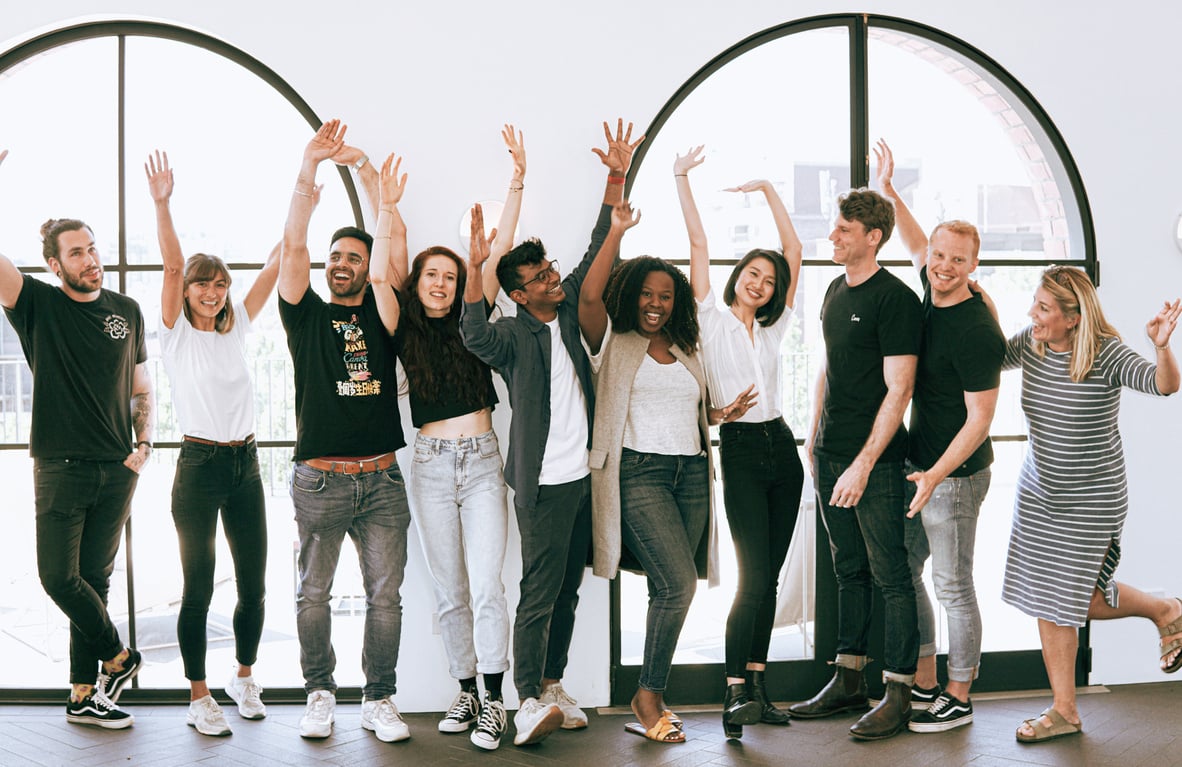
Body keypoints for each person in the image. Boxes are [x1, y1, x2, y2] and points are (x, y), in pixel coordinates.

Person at [461, 119, 642, 747]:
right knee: (538, 593)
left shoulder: (566, 313)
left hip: (583, 477)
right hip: (539, 484)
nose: (551, 279)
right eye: (538, 277)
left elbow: (597, 252)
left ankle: (556, 683)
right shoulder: (510, 335)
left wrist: (614, 177)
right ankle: (526, 699)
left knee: (567, 590)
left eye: (549, 271)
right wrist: (474, 270)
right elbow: (473, 335)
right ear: (517, 292)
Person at [365, 127, 526, 751]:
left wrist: (516, 180)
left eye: (449, 275)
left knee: (488, 586)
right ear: (419, 282)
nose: (439, 282)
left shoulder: (474, 315)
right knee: (450, 590)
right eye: (430, 274)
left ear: (461, 283)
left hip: (483, 462)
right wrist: (385, 206)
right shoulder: (401, 322)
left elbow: (501, 245)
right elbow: (381, 276)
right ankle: (464, 689)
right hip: (430, 464)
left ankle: (493, 698)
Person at [580, 201, 750, 744]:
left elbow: (687, 406)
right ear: (632, 296)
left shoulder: (685, 347)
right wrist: (616, 228)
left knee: (670, 585)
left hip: (692, 474)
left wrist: (716, 415)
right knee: (678, 584)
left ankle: (651, 692)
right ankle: (649, 694)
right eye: (647, 294)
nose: (656, 304)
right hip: (638, 474)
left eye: (665, 296)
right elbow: (587, 294)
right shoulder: (612, 341)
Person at [0, 148, 152, 729]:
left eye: (93, 248)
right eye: (77, 253)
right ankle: (118, 655)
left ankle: (83, 694)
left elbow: (141, 385)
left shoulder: (126, 309)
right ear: (54, 265)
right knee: (59, 578)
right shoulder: (36, 304)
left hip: (118, 468)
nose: (91, 260)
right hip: (60, 466)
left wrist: (145, 443)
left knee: (94, 582)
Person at [1000, 265, 1182, 743]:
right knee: (1066, 598)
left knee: (1067, 600)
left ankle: (1065, 709)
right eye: (1034, 305)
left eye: (1043, 308)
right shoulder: (1031, 343)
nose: (1032, 314)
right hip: (1039, 493)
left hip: (1092, 500)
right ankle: (1166, 610)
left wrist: (1162, 347)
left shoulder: (1105, 354)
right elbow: (986, 356)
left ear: (1073, 317)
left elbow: (1164, 385)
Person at [278, 120, 412, 744]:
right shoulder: (303, 314)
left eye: (352, 258)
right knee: (314, 595)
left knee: (386, 598)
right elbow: (293, 245)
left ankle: (379, 699)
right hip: (320, 482)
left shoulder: (385, 314)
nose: (340, 264)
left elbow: (387, 267)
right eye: (335, 257)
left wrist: (378, 194)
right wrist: (309, 170)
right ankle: (320, 692)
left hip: (382, 480)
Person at [146, 150, 279, 736]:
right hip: (198, 466)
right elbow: (172, 269)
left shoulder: (238, 328)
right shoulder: (175, 337)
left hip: (245, 465)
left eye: (221, 284)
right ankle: (199, 695)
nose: (213, 291)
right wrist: (162, 203)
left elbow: (278, 265)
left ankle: (242, 676)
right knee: (198, 585)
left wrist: (303, 200)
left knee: (253, 583)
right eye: (205, 283)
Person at [674, 146, 803, 739]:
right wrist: (681, 178)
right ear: (738, 278)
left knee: (770, 579)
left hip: (784, 448)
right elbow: (698, 246)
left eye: (768, 280)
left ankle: (758, 687)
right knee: (753, 578)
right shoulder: (708, 316)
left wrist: (771, 190)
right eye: (753, 273)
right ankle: (733, 694)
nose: (760, 283)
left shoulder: (773, 329)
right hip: (744, 450)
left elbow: (795, 252)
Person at [875, 140, 1005, 733]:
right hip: (920, 465)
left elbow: (980, 421)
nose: (944, 266)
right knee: (905, 569)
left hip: (956, 474)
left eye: (958, 260)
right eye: (939, 256)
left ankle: (959, 693)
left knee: (954, 584)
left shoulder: (977, 328)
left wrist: (935, 476)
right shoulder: (931, 287)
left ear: (974, 266)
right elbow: (911, 238)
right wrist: (889, 189)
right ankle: (925, 680)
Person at [787, 188, 923, 741]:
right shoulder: (833, 291)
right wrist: (815, 439)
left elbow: (900, 389)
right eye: (835, 227)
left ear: (873, 236)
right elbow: (829, 367)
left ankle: (897, 694)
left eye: (844, 229)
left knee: (892, 576)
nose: (833, 236)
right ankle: (848, 680)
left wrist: (864, 463)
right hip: (831, 452)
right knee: (848, 570)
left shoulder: (896, 300)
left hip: (879, 463)